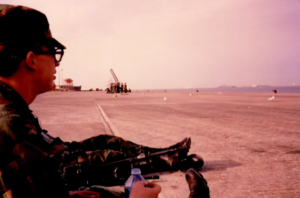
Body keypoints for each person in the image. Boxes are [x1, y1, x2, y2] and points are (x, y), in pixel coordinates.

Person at [0, 5, 210, 198]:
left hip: (58, 155)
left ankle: (165, 154)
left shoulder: (11, 110)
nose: (56, 63)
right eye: (53, 53)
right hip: (62, 160)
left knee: (100, 188)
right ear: (31, 59)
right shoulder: (9, 124)